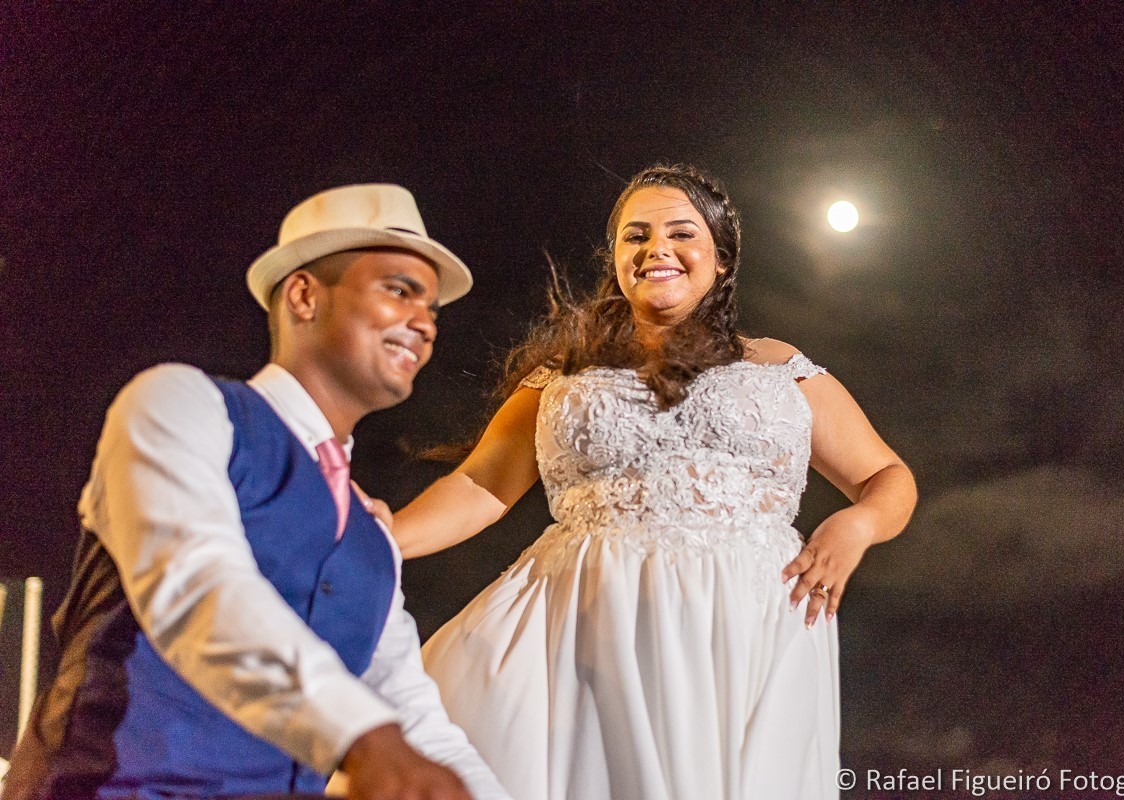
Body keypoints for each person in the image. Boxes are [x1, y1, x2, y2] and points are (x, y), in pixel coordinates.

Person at [390, 165, 918, 800]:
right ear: (615, 261)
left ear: (720, 259)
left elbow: (886, 476)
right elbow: (481, 486)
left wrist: (857, 526)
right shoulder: (562, 377)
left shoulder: (780, 367)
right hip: (587, 620)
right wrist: (380, 538)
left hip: (752, 622)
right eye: (634, 236)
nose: (655, 248)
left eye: (680, 232)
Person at [3, 184, 512, 800]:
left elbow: (413, 716)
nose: (425, 324)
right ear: (302, 294)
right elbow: (195, 584)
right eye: (400, 289)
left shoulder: (372, 538)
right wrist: (366, 739)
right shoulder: (179, 404)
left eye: (433, 307)